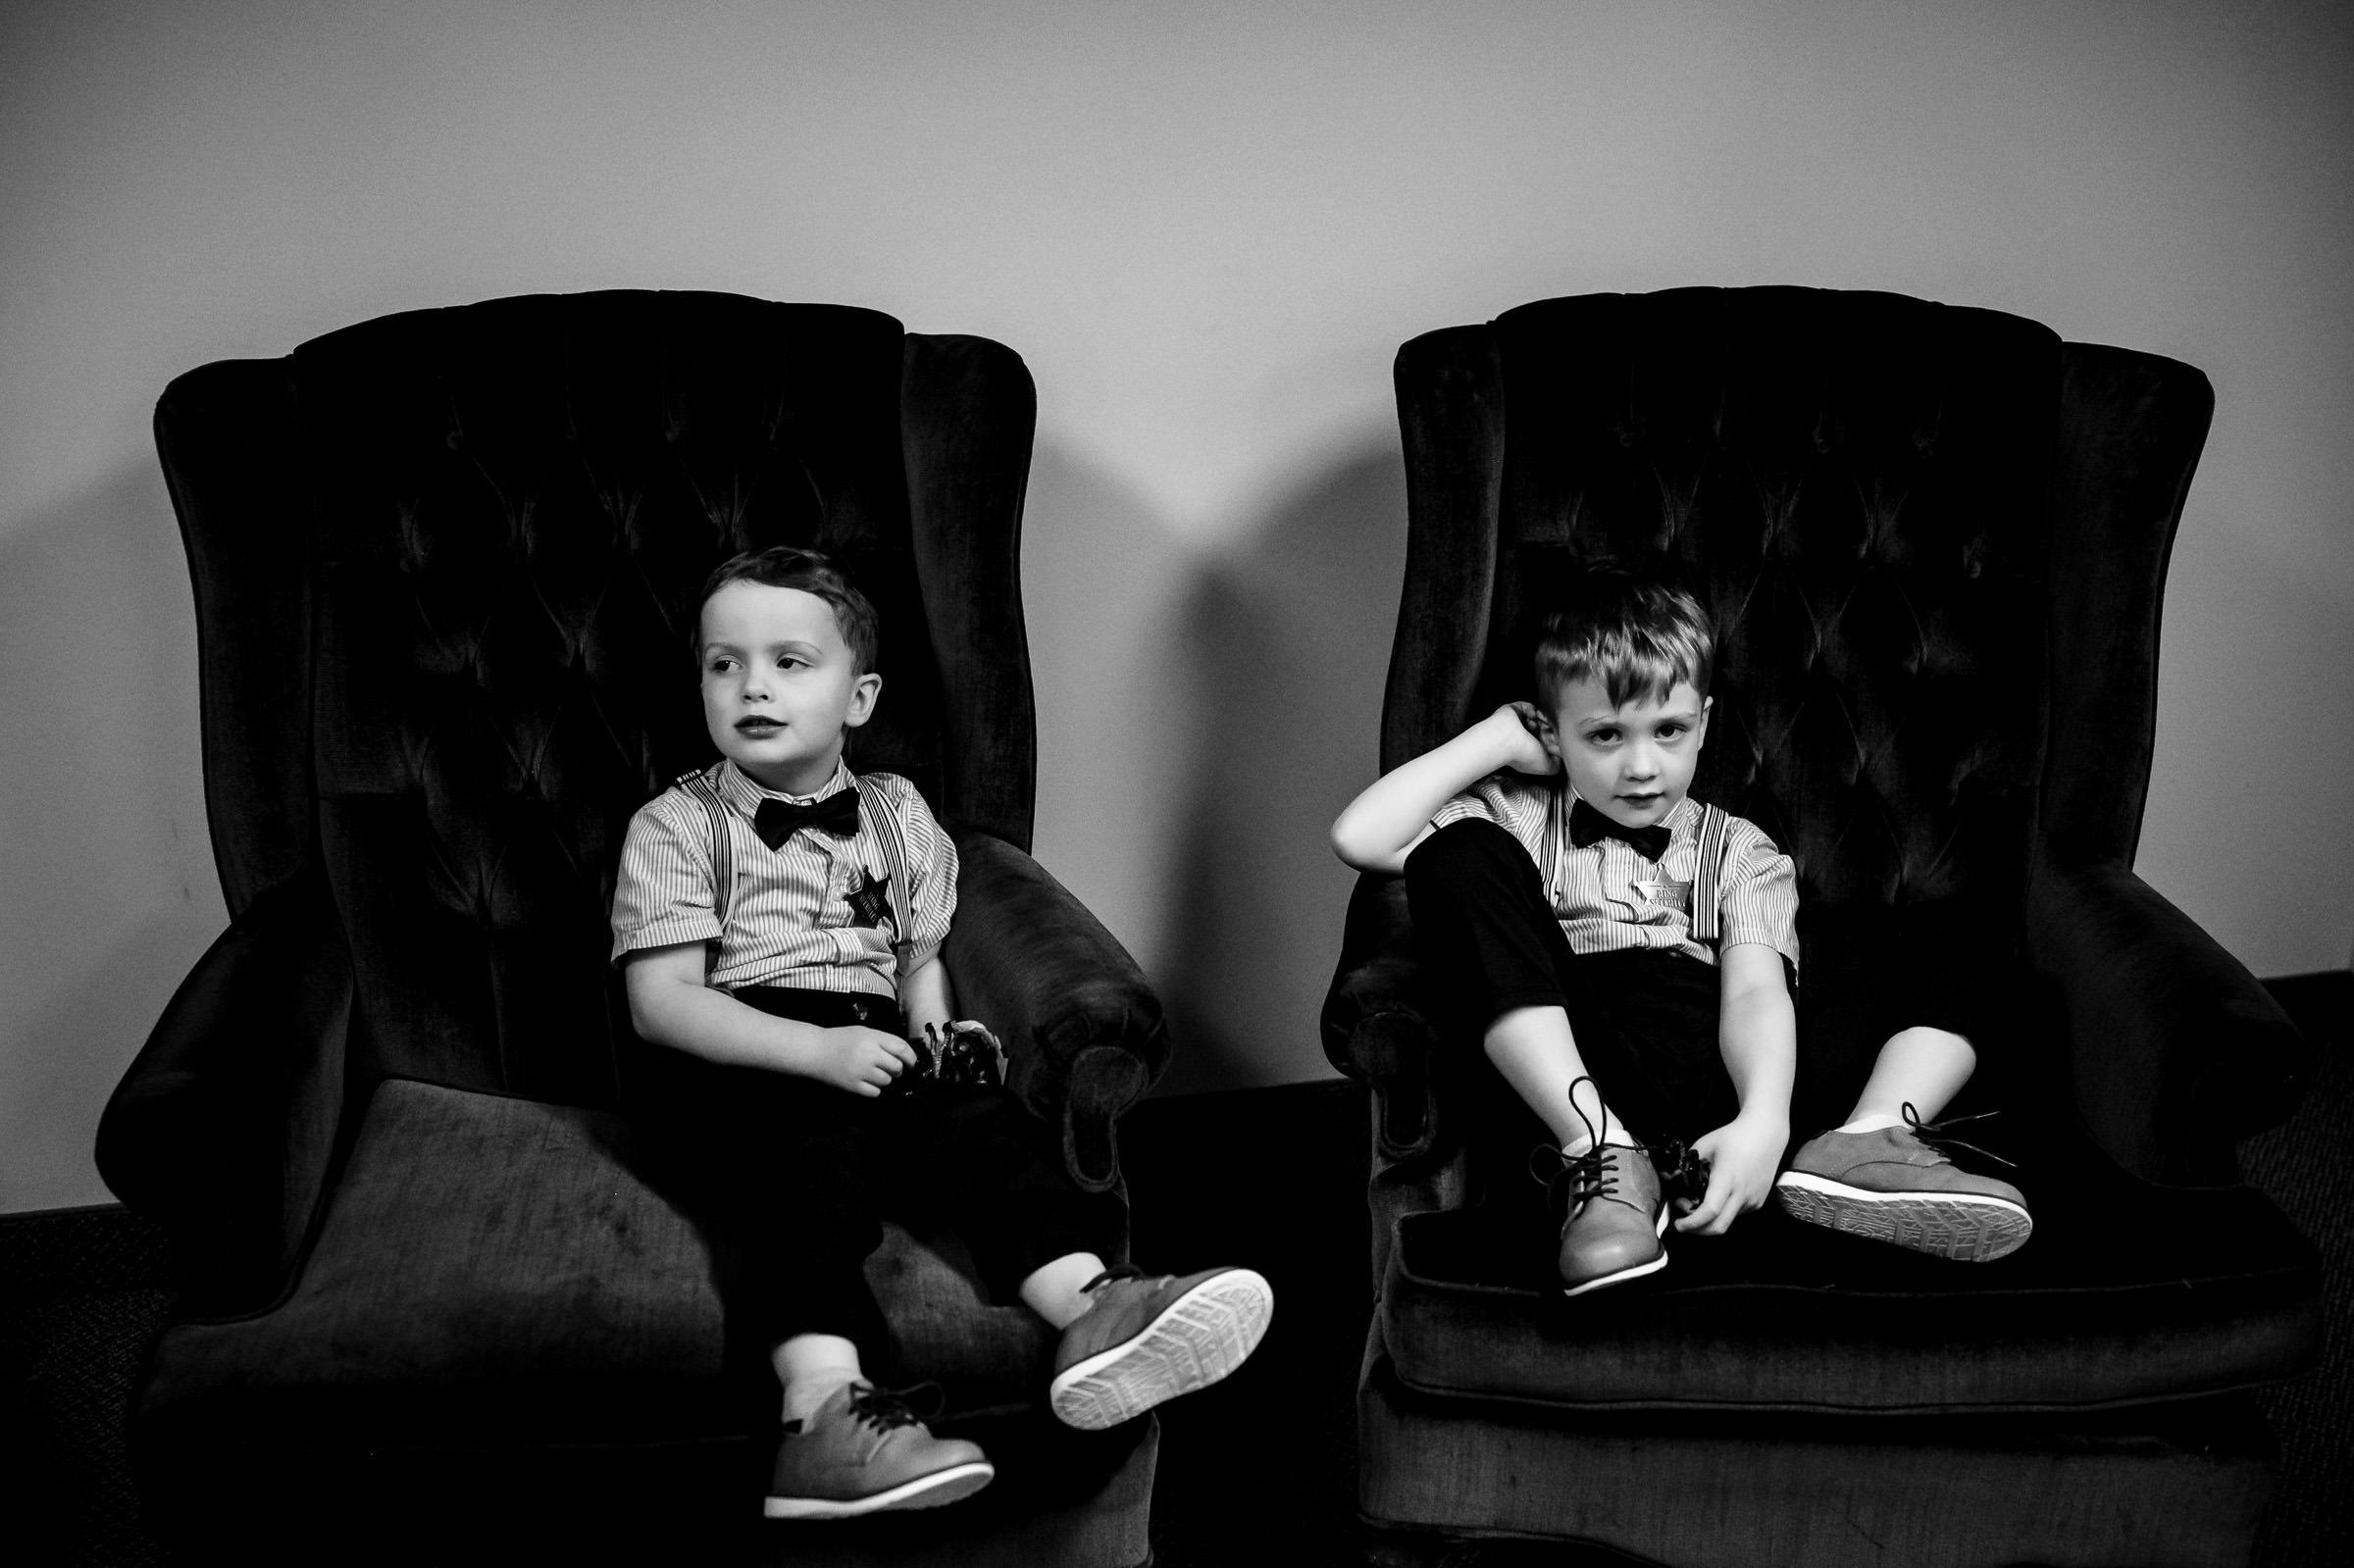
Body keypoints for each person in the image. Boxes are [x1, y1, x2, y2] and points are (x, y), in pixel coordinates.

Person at [613, 545, 1271, 1518]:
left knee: (981, 1123)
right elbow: (660, 1003)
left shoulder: (897, 813)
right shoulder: (677, 823)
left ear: (860, 696)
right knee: (811, 1166)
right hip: (740, 1056)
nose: (753, 684)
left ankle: (1092, 1306)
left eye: (790, 662)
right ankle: (824, 1413)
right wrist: (815, 1053)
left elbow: (914, 956)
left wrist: (940, 1037)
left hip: (871, 1037)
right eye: (725, 663)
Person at [1329, 563, 2029, 1295]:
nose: (1641, 766)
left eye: (1669, 730)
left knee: (1969, 927)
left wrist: (1764, 1118)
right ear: (1556, 732)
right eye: (1603, 735)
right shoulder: (1519, 815)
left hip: (1721, 1069)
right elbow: (1362, 835)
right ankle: (1600, 1156)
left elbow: (1757, 993)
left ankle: (1864, 1137)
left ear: (1704, 721)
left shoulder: (1740, 845)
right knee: (1453, 853)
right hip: (1591, 1061)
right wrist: (1496, 739)